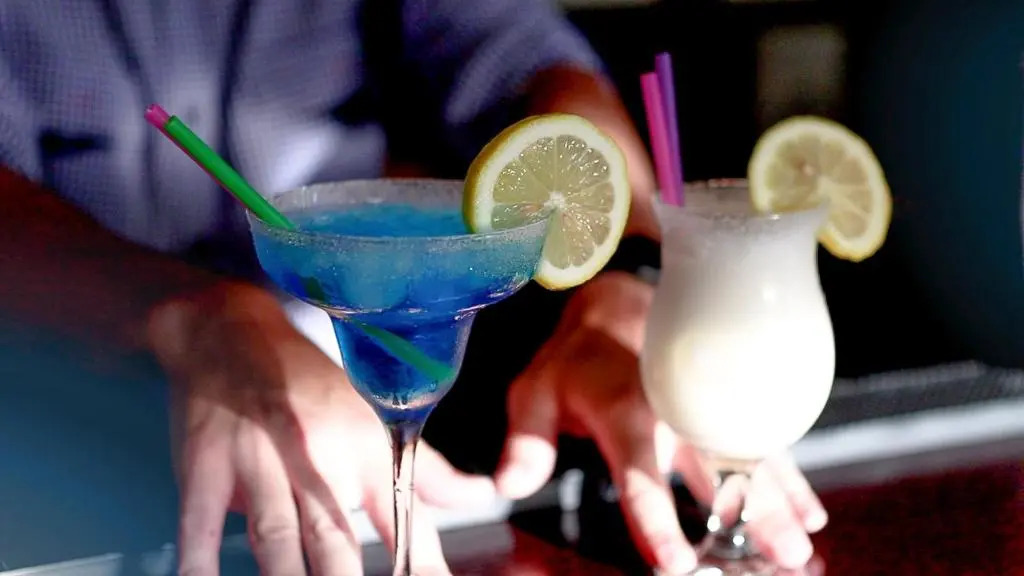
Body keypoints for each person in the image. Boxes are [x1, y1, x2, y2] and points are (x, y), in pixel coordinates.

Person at [0, 1, 826, 574]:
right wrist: (201, 315)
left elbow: (536, 70)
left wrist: (621, 271)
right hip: (56, 401)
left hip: (353, 390)